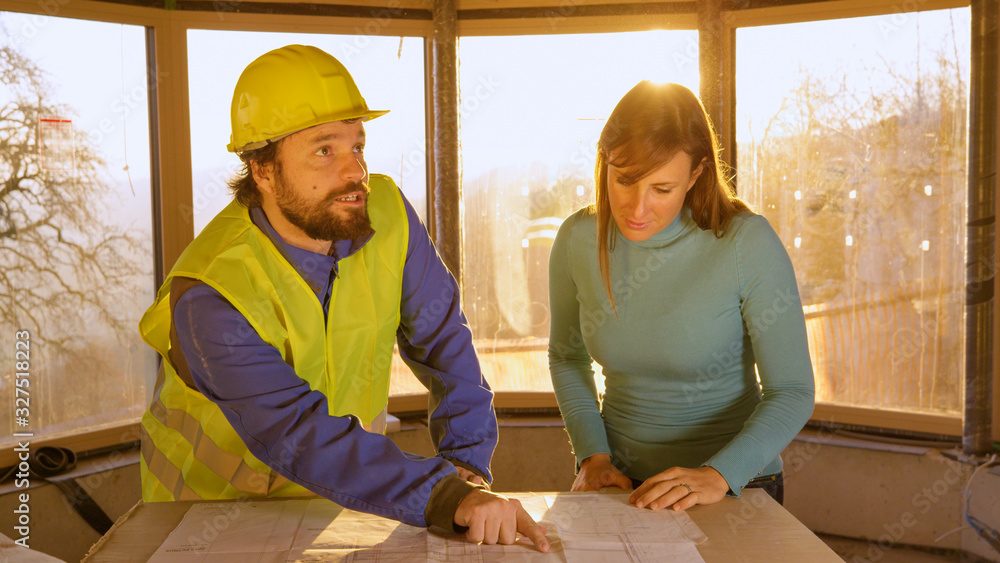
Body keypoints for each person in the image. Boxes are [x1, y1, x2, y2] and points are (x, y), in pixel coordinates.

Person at [138, 44, 548, 552]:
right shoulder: (211, 295)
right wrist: (442, 499)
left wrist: (466, 466)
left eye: (357, 144)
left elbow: (443, 342)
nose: (354, 170)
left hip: (341, 502)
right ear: (263, 170)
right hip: (204, 520)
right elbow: (295, 431)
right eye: (324, 150)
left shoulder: (389, 214)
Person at [548, 81, 815, 512]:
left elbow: (793, 391)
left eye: (662, 189)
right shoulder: (576, 239)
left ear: (696, 174)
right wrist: (592, 455)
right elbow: (566, 357)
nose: (637, 209)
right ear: (604, 164)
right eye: (625, 180)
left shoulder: (746, 243)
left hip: (736, 484)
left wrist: (718, 475)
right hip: (619, 484)